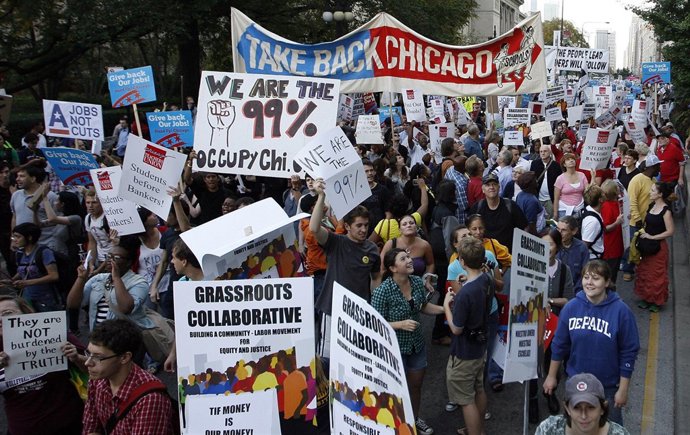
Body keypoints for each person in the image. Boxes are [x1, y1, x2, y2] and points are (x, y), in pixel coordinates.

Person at [544, 260, 640, 426]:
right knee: (577, 426)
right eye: (586, 277)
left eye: (595, 278)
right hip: (576, 384)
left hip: (608, 387)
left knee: (609, 427)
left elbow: (628, 352)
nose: (589, 282)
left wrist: (623, 390)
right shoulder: (571, 308)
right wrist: (552, 376)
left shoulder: (622, 312)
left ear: (607, 282)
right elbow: (559, 345)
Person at [372, 248, 444, 435]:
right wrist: (400, 324)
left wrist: (445, 309)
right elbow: (374, 323)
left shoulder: (416, 283)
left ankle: (413, 419)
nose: (409, 260)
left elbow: (423, 306)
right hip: (393, 349)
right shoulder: (382, 291)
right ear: (393, 268)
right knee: (395, 389)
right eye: (403, 259)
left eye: (408, 257)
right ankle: (396, 424)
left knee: (416, 385)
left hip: (416, 344)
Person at [310, 178, 381, 359]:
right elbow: (314, 227)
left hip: (359, 313)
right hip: (332, 311)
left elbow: (375, 278)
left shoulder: (372, 250)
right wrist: (321, 196)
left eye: (366, 225)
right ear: (347, 226)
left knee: (355, 359)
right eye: (359, 225)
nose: (364, 229)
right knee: (328, 360)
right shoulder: (335, 242)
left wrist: (373, 307)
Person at [0, 295, 85, 434]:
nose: (1, 320)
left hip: (70, 425)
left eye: (7, 313)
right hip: (22, 429)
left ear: (25, 314)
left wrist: (76, 357)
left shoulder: (53, 335)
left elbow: (98, 369)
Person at [82, 319, 173, 434]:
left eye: (98, 357)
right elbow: (91, 427)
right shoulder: (97, 380)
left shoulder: (150, 399)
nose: (88, 363)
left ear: (124, 358)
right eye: (88, 353)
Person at [443, 237, 494, 435]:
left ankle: (474, 431)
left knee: (465, 400)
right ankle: (478, 428)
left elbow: (456, 329)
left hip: (464, 351)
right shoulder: (486, 278)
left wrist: (448, 305)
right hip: (479, 347)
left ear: (462, 262)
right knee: (479, 388)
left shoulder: (465, 294)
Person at [536, 373, 631, 435]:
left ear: (603, 408)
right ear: (567, 408)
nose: (584, 415)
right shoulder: (548, 429)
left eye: (590, 407)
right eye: (576, 408)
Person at [634, 182, 675, 312]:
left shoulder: (666, 211)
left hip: (658, 247)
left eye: (652, 191)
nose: (650, 193)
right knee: (645, 272)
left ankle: (656, 301)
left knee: (656, 275)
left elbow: (670, 231)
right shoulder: (651, 206)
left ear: (660, 194)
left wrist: (653, 237)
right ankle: (646, 298)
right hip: (647, 247)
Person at [2, 223, 60, 312]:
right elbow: (23, 271)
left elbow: (54, 276)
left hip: (46, 299)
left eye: (18, 237)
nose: (14, 240)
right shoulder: (20, 253)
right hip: (27, 299)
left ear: (29, 237)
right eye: (13, 237)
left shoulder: (44, 252)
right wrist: (12, 281)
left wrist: (27, 282)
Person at [622, 155, 661, 282]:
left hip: (650, 221)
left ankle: (642, 269)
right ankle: (627, 269)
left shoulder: (654, 181)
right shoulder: (637, 180)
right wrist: (638, 219)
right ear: (652, 167)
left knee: (644, 247)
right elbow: (632, 201)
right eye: (657, 166)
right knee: (633, 246)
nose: (660, 168)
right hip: (637, 222)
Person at [468, 173, 528, 251]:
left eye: (494, 184)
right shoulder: (477, 208)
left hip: (508, 255)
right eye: (488, 185)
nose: (491, 187)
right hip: (485, 254)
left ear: (499, 187)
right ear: (483, 189)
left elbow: (524, 228)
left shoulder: (510, 206)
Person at [10, 160, 58, 250]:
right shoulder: (16, 195)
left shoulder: (50, 196)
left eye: (22, 176)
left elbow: (57, 221)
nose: (17, 179)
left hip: (45, 246)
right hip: (23, 248)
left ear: (33, 178)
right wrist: (13, 239)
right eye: (17, 176)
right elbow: (15, 217)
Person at [600, 180, 624, 287]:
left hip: (617, 244)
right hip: (611, 247)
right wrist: (617, 223)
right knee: (610, 275)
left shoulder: (618, 202)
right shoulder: (607, 206)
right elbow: (606, 228)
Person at [556, 215, 590, 292]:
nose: (559, 233)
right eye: (557, 229)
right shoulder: (552, 245)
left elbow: (584, 273)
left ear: (574, 231)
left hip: (575, 291)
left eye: (564, 230)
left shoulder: (581, 248)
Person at [84, 190, 114, 276]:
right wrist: (91, 264)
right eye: (88, 202)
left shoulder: (108, 218)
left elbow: (115, 244)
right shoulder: (88, 218)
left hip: (111, 259)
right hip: (99, 259)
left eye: (94, 202)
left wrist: (99, 270)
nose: (90, 206)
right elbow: (92, 242)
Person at [553, 153, 589, 219]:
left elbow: (588, 191)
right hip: (564, 210)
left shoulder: (582, 175)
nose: (571, 161)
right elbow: (556, 198)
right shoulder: (560, 178)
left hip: (579, 209)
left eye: (573, 159)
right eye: (568, 160)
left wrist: (593, 178)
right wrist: (555, 214)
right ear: (564, 164)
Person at [361, 159, 392, 235]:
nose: (370, 173)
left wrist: (383, 229)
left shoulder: (383, 190)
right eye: (366, 171)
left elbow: (389, 213)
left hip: (380, 231)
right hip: (363, 231)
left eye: (371, 170)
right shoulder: (357, 192)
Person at [531, 144, 562, 218]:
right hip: (538, 198)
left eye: (545, 151)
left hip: (550, 199)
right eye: (541, 151)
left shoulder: (556, 165)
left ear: (550, 152)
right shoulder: (534, 164)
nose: (542, 153)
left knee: (551, 220)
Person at [515, 171, 547, 236]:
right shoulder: (532, 201)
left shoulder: (520, 194)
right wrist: (539, 237)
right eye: (535, 180)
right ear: (530, 184)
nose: (537, 181)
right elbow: (531, 225)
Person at [581, 185, 605, 260]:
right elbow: (584, 245)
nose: (605, 194)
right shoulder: (592, 221)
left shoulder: (589, 209)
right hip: (592, 259)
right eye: (602, 193)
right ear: (600, 199)